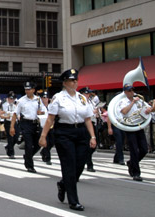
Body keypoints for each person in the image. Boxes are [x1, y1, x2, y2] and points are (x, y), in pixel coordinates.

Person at [38, 69, 96, 211]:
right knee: (69, 165)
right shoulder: (58, 98)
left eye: (76, 80)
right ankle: (73, 200)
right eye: (71, 80)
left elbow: (88, 119)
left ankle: (64, 184)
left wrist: (93, 136)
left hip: (81, 132)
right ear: (65, 83)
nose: (74, 82)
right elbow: (50, 118)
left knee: (80, 164)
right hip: (64, 132)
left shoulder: (82, 98)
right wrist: (43, 135)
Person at [118, 84, 153, 182]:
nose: (131, 92)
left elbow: (147, 110)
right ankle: (136, 173)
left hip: (138, 126)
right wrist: (132, 102)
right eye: (129, 90)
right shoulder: (123, 102)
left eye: (132, 90)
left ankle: (132, 163)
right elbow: (124, 111)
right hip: (129, 127)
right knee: (133, 149)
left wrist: (149, 110)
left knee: (144, 149)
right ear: (125, 92)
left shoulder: (140, 101)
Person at [10, 82, 46, 173]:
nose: (27, 91)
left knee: (39, 143)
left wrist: (41, 113)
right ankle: (30, 165)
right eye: (26, 89)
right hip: (26, 123)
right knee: (28, 145)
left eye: (29, 89)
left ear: (33, 90)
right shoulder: (21, 100)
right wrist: (12, 127)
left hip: (36, 123)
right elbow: (15, 114)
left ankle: (27, 156)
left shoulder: (38, 100)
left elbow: (43, 111)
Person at [79, 87, 98, 172]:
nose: (88, 95)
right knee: (87, 145)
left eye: (89, 93)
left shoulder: (91, 102)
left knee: (94, 145)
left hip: (93, 123)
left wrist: (97, 112)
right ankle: (89, 164)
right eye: (86, 93)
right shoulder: (80, 102)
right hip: (85, 124)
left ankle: (86, 159)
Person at [1, 92, 19, 159]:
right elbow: (1, 114)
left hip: (15, 122)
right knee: (10, 137)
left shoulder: (16, 106)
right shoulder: (4, 105)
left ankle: (8, 146)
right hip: (8, 122)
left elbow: (18, 114)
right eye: (10, 99)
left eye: (13, 99)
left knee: (16, 137)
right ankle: (11, 153)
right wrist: (5, 117)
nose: (11, 100)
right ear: (7, 99)